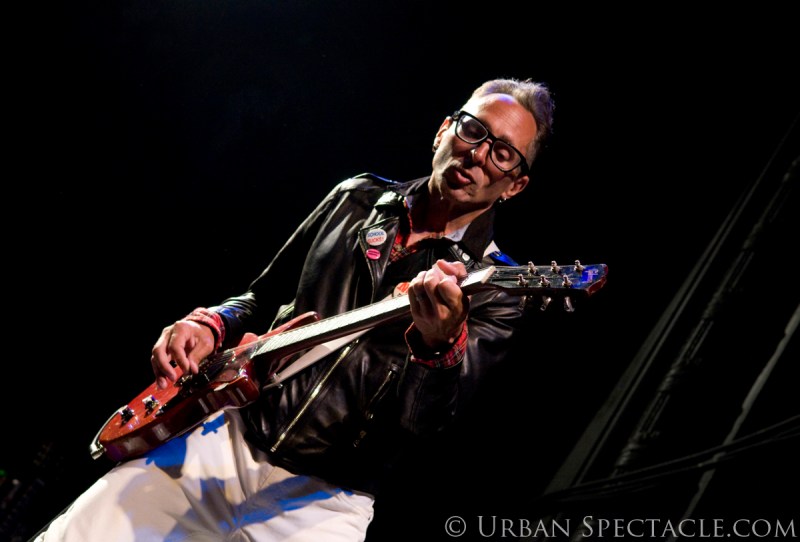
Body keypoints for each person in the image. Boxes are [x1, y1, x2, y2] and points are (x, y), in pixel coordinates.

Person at [34, 77, 555, 541]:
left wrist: (437, 344)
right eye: (473, 131)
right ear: (444, 131)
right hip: (224, 437)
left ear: (516, 185)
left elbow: (427, 423)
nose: (478, 155)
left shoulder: (495, 291)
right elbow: (261, 298)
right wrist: (210, 323)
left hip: (325, 503)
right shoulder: (356, 198)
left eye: (503, 153)